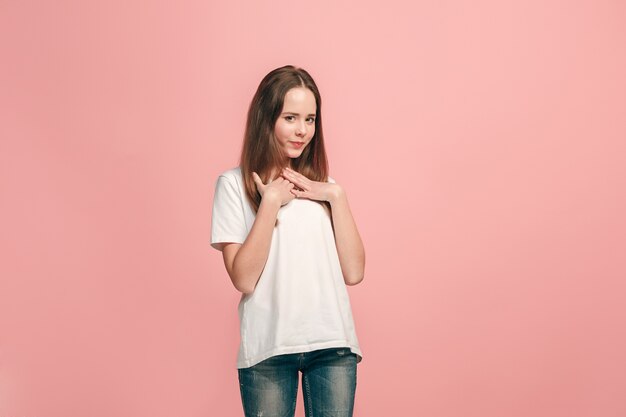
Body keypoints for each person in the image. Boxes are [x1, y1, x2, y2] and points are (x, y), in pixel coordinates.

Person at [210, 65, 365, 417]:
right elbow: (243, 278)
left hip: (332, 344)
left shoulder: (324, 186)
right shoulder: (233, 185)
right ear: (267, 119)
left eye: (310, 119)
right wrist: (270, 204)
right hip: (268, 348)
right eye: (290, 118)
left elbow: (354, 271)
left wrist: (337, 196)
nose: (302, 131)